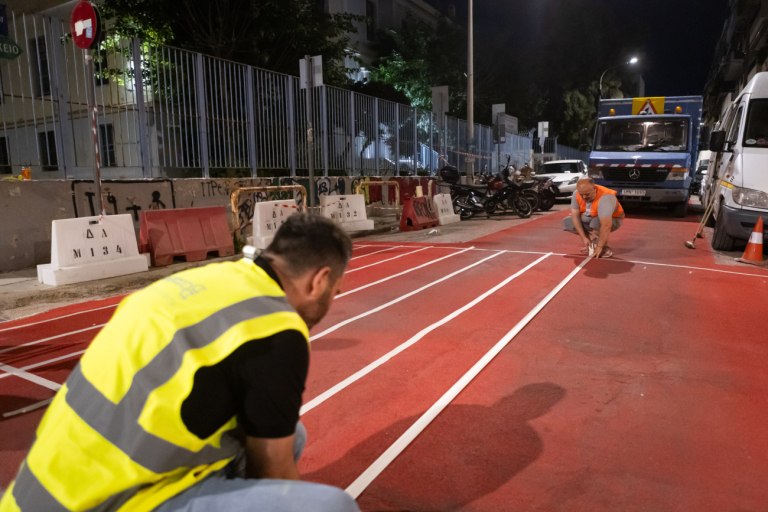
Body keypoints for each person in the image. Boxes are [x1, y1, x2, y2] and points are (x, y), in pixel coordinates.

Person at [0, 214, 360, 512]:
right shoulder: (279, 327)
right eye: (336, 292)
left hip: (39, 491)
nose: (331, 302)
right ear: (320, 280)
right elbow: (275, 472)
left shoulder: (212, 279)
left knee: (290, 433)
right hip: (114, 502)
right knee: (332, 507)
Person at [563, 177, 625, 258]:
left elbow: (606, 225)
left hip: (614, 219)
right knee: (568, 222)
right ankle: (591, 244)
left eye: (587, 194)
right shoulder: (576, 194)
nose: (584, 197)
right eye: (582, 194)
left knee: (596, 223)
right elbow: (575, 216)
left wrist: (600, 247)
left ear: (594, 189)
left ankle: (604, 248)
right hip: (590, 216)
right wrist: (584, 238)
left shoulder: (606, 197)